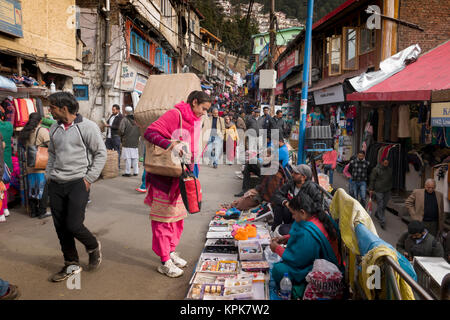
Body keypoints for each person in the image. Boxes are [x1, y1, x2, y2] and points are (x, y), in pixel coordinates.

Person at [143, 91, 211, 278]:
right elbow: (150, 132)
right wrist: (171, 145)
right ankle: (164, 261)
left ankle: (171, 251)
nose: (204, 113)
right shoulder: (176, 114)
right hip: (164, 179)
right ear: (194, 102)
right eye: (203, 108)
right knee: (163, 220)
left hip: (183, 176)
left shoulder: (197, 120)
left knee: (178, 218)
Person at [46, 92, 107, 282]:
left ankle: (92, 245)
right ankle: (71, 264)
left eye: (52, 107)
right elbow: (52, 154)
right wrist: (49, 175)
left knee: (73, 225)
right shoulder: (54, 129)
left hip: (78, 183)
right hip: (56, 183)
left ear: (64, 108)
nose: (50, 111)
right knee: (61, 228)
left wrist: (89, 179)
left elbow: (100, 154)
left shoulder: (87, 127)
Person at [270, 191, 341, 298]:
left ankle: (299, 288)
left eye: (293, 214)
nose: (293, 217)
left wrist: (277, 249)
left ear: (302, 212)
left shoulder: (308, 233)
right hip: (313, 259)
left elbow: (298, 260)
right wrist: (286, 238)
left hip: (322, 268)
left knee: (279, 270)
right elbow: (299, 237)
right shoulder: (315, 216)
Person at [270, 164, 324, 234]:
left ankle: (288, 229)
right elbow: (277, 194)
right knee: (279, 205)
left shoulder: (311, 188)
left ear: (304, 177)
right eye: (293, 172)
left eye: (296, 173)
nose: (292, 174)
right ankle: (275, 228)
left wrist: (303, 209)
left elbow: (319, 205)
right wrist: (286, 202)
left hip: (302, 217)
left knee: (283, 230)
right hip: (292, 214)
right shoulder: (291, 183)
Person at [18, 112, 51, 219]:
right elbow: (51, 146)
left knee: (32, 188)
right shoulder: (42, 131)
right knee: (42, 188)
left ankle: (33, 212)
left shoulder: (25, 131)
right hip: (40, 164)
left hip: (29, 164)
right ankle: (42, 212)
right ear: (40, 121)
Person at [369, 158, 393, 229]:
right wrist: (371, 189)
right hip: (378, 190)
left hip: (387, 190)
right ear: (382, 162)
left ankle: (377, 214)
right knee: (380, 204)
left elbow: (390, 179)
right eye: (385, 163)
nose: (386, 164)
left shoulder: (389, 170)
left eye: (387, 163)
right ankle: (382, 221)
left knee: (384, 205)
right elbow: (372, 179)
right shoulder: (376, 169)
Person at [119, 106, 140, 177]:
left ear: (126, 112)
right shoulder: (137, 120)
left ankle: (127, 172)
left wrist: (121, 136)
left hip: (127, 141)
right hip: (135, 141)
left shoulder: (124, 120)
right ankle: (136, 171)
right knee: (135, 157)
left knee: (127, 157)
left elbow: (121, 130)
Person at [0, 110, 13, 219]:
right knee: (4, 187)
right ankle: (5, 209)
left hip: (1, 160)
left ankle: (1, 213)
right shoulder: (9, 126)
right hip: (8, 160)